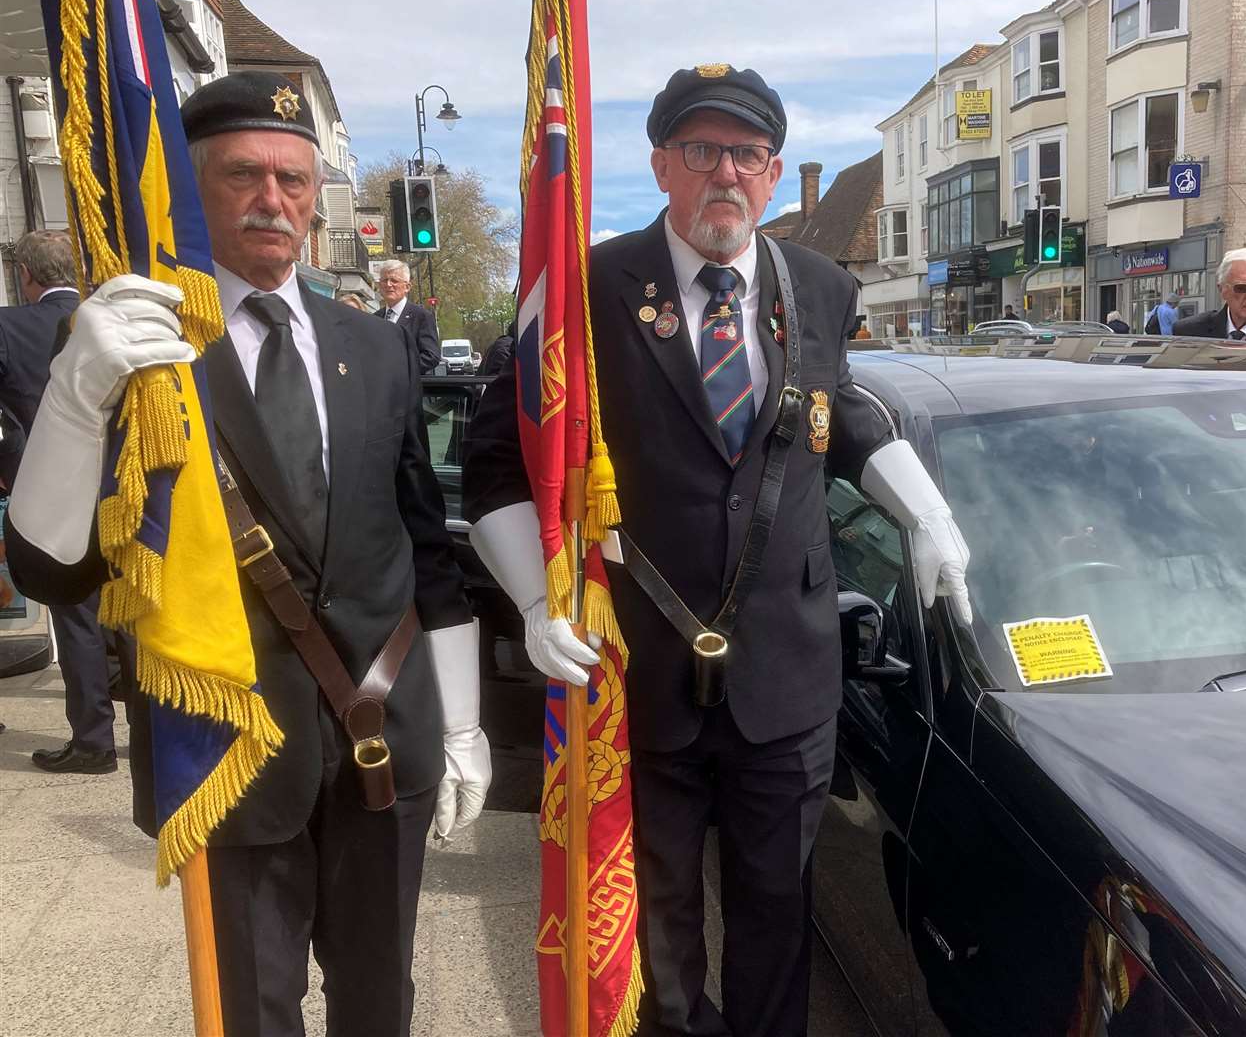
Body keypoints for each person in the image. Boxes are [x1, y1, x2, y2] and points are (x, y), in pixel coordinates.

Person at [463, 64, 973, 1037]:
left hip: (786, 675)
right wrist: (535, 602)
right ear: (661, 165)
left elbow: (838, 411)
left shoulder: (818, 286)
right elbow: (496, 460)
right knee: (660, 926)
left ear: (775, 172)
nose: (725, 173)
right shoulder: (586, 289)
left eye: (746, 154)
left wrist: (926, 512)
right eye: (701, 151)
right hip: (640, 671)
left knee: (779, 913)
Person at [2, 72, 488, 1037]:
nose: (275, 200)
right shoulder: (137, 348)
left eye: (295, 181)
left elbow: (426, 547)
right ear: (188, 186)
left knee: (380, 1001)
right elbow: (49, 571)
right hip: (227, 740)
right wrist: (71, 396)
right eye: (242, 175)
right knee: (250, 1013)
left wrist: (466, 722)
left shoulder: (374, 344)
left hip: (385, 731)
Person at [0, 231, 118, 774]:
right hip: (122, 487)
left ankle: (94, 741)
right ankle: (150, 727)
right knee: (133, 609)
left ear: (27, 275)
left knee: (76, 616)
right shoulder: (113, 315)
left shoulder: (9, 327)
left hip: (51, 491)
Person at [376, 260, 441, 374]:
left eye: (394, 280)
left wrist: (399, 369)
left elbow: (431, 356)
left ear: (407, 287)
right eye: (385, 280)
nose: (388, 284)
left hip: (408, 387)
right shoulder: (375, 318)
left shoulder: (422, 316)